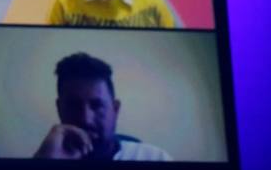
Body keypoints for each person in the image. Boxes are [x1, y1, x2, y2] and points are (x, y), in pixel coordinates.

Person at [34, 52, 171, 160]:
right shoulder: (50, 155)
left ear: (115, 109)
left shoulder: (155, 157)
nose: (86, 119)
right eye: (73, 105)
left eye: (97, 105)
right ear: (59, 109)